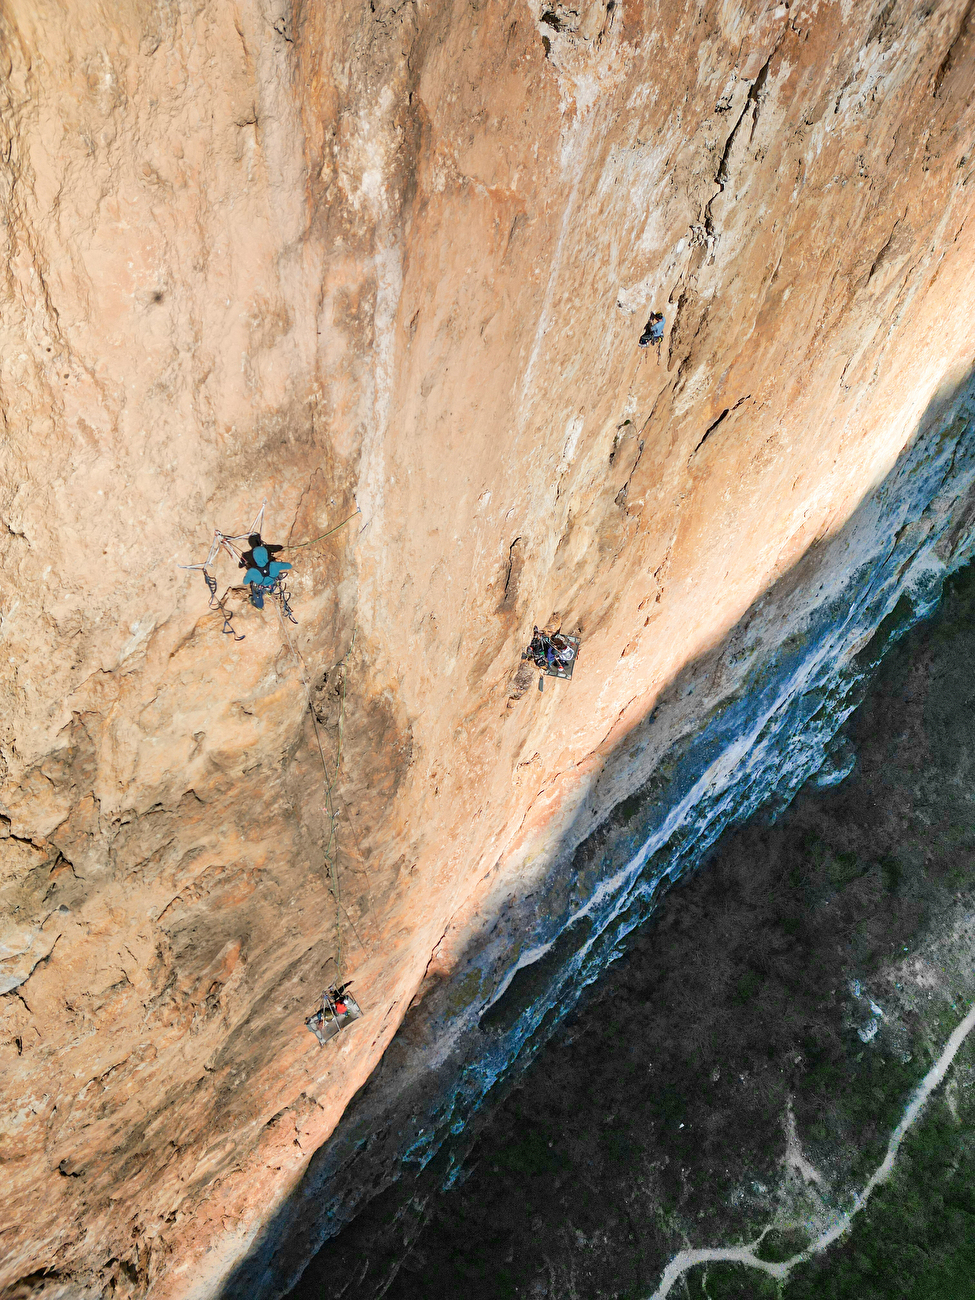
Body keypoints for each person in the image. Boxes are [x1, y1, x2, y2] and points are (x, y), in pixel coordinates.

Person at [239, 533, 292, 609]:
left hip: (260, 583)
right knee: (272, 578)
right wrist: (267, 547)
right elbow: (280, 548)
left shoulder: (249, 561)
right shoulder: (270, 558)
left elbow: (244, 580)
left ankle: (259, 605)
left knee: (256, 589)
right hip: (272, 580)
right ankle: (269, 590)